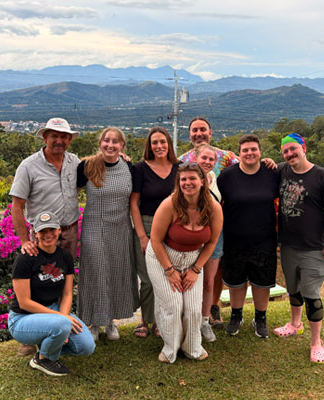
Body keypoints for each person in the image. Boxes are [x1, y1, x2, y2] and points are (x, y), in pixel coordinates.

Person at [10, 117, 80, 356]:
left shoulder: (74, 162)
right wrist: (24, 241)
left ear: (69, 140)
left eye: (63, 137)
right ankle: (31, 336)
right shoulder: (28, 166)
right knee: (33, 281)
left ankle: (61, 325)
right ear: (45, 137)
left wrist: (121, 159)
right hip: (41, 235)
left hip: (69, 230)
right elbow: (17, 206)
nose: (59, 141)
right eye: (54, 136)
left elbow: (100, 168)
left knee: (62, 280)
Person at [146, 162, 223, 363]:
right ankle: (171, 347)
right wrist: (169, 270)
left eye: (192, 178)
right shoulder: (169, 204)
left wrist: (196, 269)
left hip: (192, 261)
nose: (188, 183)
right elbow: (155, 240)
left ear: (203, 181)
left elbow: (212, 241)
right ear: (178, 182)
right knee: (172, 305)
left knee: (193, 308)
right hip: (162, 257)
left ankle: (191, 347)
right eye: (183, 179)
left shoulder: (213, 207)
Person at [274, 133, 324, 364]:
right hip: (289, 245)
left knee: (312, 295)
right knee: (294, 289)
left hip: (314, 247)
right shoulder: (283, 170)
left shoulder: (322, 176)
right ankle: (294, 324)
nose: (289, 154)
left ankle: (316, 342)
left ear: (304, 148)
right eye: (285, 151)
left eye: (293, 149)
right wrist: (267, 162)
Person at [8, 211, 95, 377]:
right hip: (22, 318)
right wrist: (61, 320)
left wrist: (62, 319)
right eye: (42, 231)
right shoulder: (25, 259)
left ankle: (49, 343)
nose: (48, 235)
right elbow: (24, 302)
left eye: (52, 230)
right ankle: (44, 359)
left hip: (52, 312)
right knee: (61, 325)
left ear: (59, 230)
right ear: (35, 233)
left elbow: (67, 294)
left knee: (86, 346)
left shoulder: (65, 257)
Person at [77, 127, 139, 342]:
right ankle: (94, 322)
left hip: (120, 228)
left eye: (115, 142)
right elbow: (69, 193)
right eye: (106, 141)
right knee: (96, 272)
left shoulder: (128, 166)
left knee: (115, 272)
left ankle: (110, 320)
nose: (110, 145)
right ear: (100, 142)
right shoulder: (87, 165)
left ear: (122, 146)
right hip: (94, 226)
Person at [217, 134, 280, 339]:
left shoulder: (272, 173)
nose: (249, 153)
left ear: (260, 152)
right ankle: (236, 316)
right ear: (239, 153)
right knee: (236, 282)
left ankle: (260, 318)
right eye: (245, 150)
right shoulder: (227, 176)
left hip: (264, 238)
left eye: (253, 149)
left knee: (262, 282)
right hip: (234, 238)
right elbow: (215, 203)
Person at [179, 117, 239, 329]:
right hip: (189, 223)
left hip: (220, 222)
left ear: (210, 132)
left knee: (216, 265)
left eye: (203, 129)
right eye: (194, 130)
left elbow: (249, 165)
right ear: (190, 134)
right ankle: (189, 310)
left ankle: (213, 307)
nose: (199, 133)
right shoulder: (182, 160)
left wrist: (269, 163)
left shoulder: (226, 157)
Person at [130, 126, 180, 338]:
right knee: (148, 278)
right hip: (147, 225)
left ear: (169, 144)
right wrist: (142, 236)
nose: (159, 146)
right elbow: (133, 203)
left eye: (162, 142)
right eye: (154, 143)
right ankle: (145, 319)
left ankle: (161, 320)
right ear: (149, 147)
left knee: (167, 275)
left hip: (173, 227)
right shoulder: (141, 168)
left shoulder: (180, 168)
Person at [194, 144, 223, 343]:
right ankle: (189, 321)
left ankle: (204, 322)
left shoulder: (216, 180)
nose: (207, 162)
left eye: (211, 159)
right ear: (195, 158)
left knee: (208, 281)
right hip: (191, 236)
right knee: (189, 280)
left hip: (215, 236)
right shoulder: (186, 177)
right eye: (204, 158)